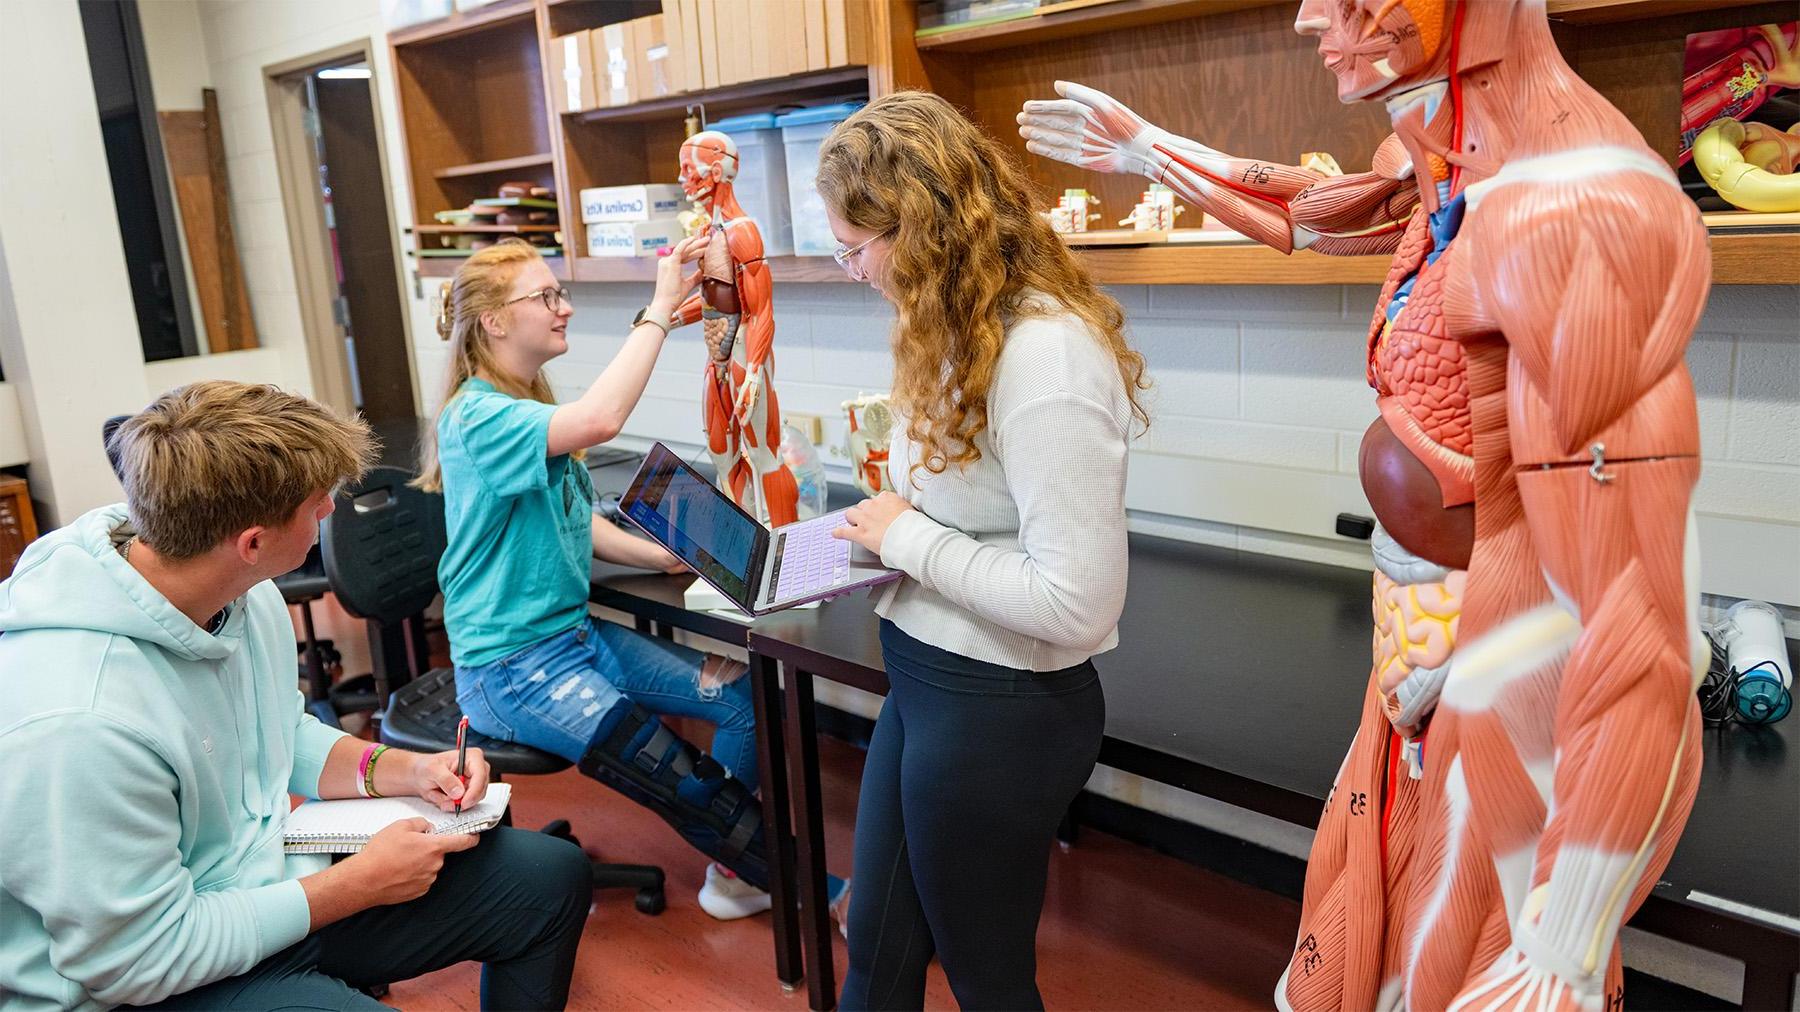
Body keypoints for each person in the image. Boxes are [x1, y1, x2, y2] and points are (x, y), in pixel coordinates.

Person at [0, 381, 592, 1011]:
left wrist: (407, 770)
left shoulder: (242, 592)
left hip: (255, 896)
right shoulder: (79, 724)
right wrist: (356, 886)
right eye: (317, 504)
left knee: (548, 878)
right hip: (137, 982)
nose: (331, 513)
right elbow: (137, 960)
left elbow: (278, 732)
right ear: (252, 541)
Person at [819, 92, 1150, 1010]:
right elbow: (966, 518)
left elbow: (1077, 603)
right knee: (875, 959)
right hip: (929, 683)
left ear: (919, 229)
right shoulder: (957, 322)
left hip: (1002, 706)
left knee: (987, 980)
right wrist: (870, 540)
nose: (853, 271)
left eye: (857, 248)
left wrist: (908, 536)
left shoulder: (1045, 357)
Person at [418, 237, 848, 922]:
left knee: (741, 700)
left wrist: (657, 558)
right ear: (495, 321)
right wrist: (654, 309)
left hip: (574, 638)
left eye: (560, 293)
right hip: (513, 670)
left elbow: (569, 519)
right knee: (683, 782)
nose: (564, 308)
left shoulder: (525, 403)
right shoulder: (476, 417)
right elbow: (602, 418)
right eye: (547, 297)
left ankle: (738, 866)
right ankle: (829, 899)